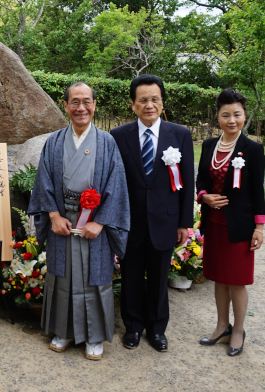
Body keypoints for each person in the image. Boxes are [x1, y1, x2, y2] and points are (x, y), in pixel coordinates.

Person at [28, 82, 130, 360]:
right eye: (75, 102)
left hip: (93, 224)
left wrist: (102, 222)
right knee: (62, 277)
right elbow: (44, 180)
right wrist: (53, 215)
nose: (81, 107)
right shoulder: (54, 141)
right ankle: (64, 331)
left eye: (86, 102)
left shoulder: (107, 142)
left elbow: (117, 185)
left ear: (94, 105)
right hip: (63, 221)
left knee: (94, 278)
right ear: (66, 106)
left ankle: (94, 336)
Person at [110, 74, 194, 352]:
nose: (149, 105)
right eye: (143, 100)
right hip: (130, 221)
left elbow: (188, 183)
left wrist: (184, 222)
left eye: (154, 99)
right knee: (131, 276)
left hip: (165, 219)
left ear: (162, 101)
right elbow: (114, 181)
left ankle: (157, 329)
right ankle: (133, 326)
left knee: (159, 279)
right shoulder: (118, 136)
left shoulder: (179, 134)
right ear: (133, 104)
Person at [196, 88, 265, 356]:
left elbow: (258, 191)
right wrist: (205, 197)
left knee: (236, 280)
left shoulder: (253, 149)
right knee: (218, 278)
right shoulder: (208, 145)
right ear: (218, 117)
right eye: (226, 115)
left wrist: (259, 227)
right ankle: (222, 326)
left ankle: (238, 330)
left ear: (244, 116)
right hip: (213, 223)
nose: (231, 120)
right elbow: (201, 180)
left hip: (240, 226)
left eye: (237, 114)